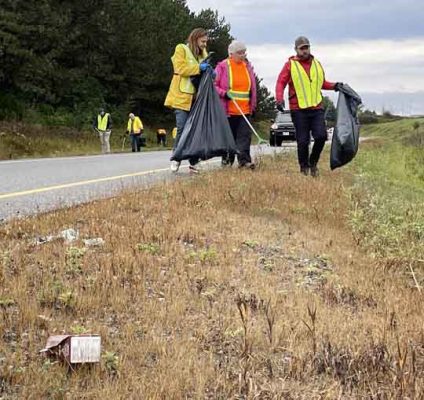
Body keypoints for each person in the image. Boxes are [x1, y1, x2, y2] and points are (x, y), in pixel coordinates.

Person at [275, 36, 342, 177]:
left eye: (307, 47)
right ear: (296, 50)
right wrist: (279, 99)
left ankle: (313, 163)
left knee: (321, 136)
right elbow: (281, 82)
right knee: (303, 141)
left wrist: (335, 86)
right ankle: (304, 168)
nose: (305, 51)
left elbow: (322, 83)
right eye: (302, 48)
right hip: (298, 109)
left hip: (316, 107)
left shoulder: (317, 64)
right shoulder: (290, 65)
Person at [164, 28, 210, 174]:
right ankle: (176, 158)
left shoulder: (204, 54)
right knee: (182, 129)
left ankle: (194, 163)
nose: (204, 44)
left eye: (206, 42)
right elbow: (180, 68)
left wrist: (210, 73)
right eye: (202, 41)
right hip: (181, 97)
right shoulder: (181, 49)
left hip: (197, 100)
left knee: (196, 132)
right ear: (195, 39)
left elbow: (204, 73)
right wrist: (198, 68)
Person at [215, 40, 257, 169]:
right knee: (229, 138)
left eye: (244, 52)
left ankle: (244, 162)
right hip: (228, 111)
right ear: (231, 53)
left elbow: (253, 89)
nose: (243, 55)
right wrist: (224, 93)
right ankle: (227, 161)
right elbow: (213, 85)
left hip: (244, 110)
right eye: (240, 53)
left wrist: (253, 105)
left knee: (244, 137)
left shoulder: (247, 67)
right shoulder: (223, 66)